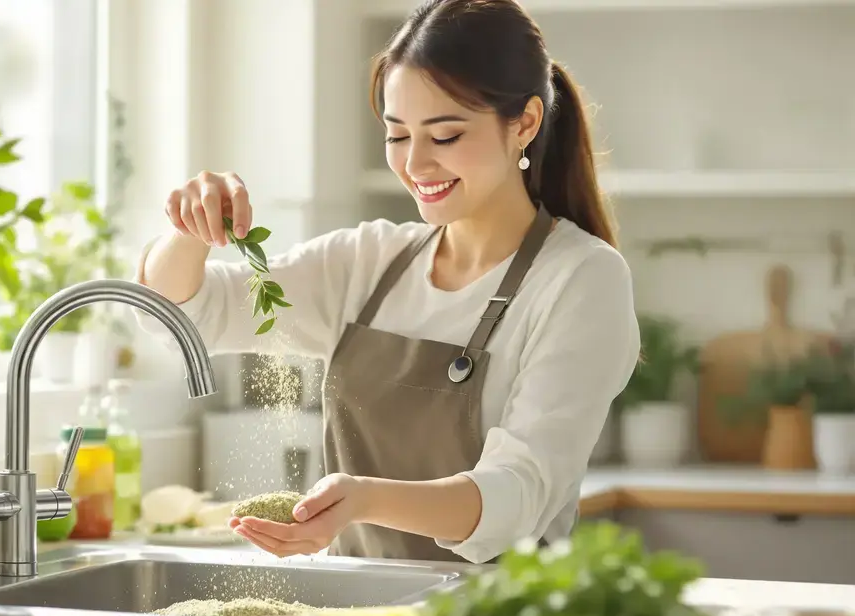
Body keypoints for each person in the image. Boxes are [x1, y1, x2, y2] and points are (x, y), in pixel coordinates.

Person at [133, 0, 640, 564]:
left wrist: (363, 499)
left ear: (523, 123)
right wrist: (190, 230)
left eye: (445, 136)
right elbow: (183, 317)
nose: (417, 165)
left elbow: (518, 495)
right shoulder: (369, 262)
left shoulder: (581, 278)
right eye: (398, 137)